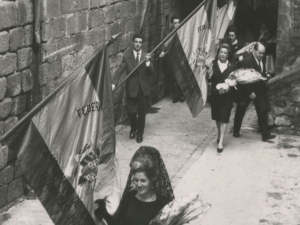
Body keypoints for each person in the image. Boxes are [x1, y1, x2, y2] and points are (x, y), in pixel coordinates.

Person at [94, 146, 175, 225]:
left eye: (143, 181)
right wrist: (103, 211)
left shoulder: (162, 203)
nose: (139, 184)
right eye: (136, 180)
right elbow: (118, 223)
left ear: (152, 180)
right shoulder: (129, 197)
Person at [112, 34, 154, 143]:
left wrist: (148, 62)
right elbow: (120, 70)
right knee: (131, 112)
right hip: (132, 88)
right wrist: (114, 83)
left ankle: (139, 134)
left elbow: (151, 73)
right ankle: (133, 128)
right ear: (132, 43)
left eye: (140, 42)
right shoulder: (127, 56)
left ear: (142, 44)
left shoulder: (146, 56)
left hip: (143, 88)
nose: (138, 44)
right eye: (136, 42)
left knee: (142, 112)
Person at [233, 42, 276, 142]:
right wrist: (249, 92)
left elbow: (260, 72)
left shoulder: (263, 58)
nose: (262, 55)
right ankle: (236, 130)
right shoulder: (246, 61)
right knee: (241, 110)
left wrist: (265, 75)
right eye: (260, 53)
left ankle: (265, 134)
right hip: (247, 90)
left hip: (259, 90)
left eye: (263, 53)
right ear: (254, 51)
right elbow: (241, 78)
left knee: (262, 110)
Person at [208, 46, 237, 153]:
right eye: (221, 52)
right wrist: (209, 73)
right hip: (215, 94)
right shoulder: (213, 64)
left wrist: (228, 86)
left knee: (224, 116)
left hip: (227, 96)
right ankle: (219, 133)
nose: (223, 54)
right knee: (217, 116)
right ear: (218, 53)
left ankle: (221, 142)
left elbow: (234, 81)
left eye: (225, 53)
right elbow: (209, 79)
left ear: (228, 55)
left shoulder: (232, 66)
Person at [159, 16, 184, 103]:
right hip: (172, 57)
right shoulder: (167, 32)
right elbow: (164, 43)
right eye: (175, 23)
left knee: (181, 76)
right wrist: (162, 51)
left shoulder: (183, 31)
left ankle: (181, 94)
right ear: (171, 24)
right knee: (174, 77)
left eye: (178, 22)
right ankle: (176, 95)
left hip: (181, 57)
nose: (177, 24)